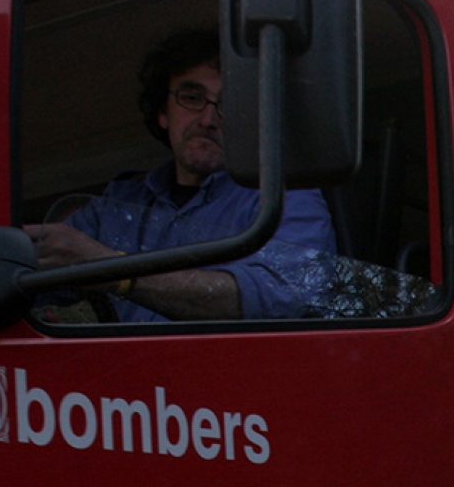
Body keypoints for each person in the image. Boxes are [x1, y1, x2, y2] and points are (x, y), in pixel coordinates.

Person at [22, 27, 335, 323]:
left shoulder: (284, 198)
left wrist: (109, 270)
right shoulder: (116, 205)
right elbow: (28, 280)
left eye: (230, 103)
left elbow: (285, 298)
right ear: (162, 113)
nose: (208, 118)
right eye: (192, 97)